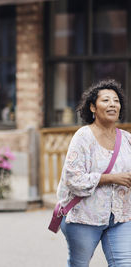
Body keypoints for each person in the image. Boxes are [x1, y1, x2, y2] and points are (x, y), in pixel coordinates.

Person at [56, 79, 131, 266]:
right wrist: (111, 178)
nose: (112, 104)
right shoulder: (83, 137)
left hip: (121, 217)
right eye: (106, 100)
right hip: (85, 216)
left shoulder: (127, 139)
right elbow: (73, 179)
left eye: (116, 100)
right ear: (92, 107)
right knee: (79, 264)